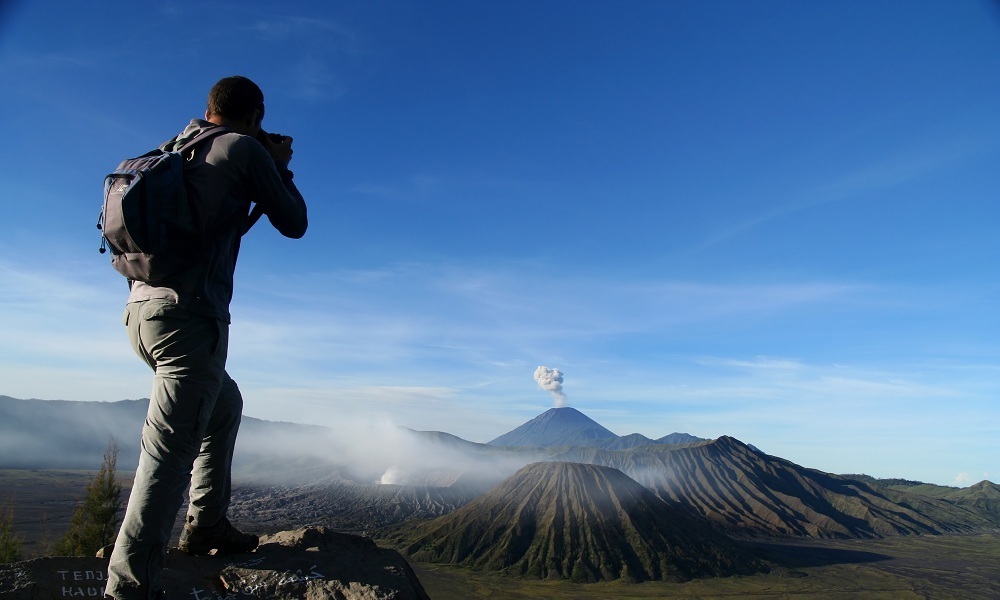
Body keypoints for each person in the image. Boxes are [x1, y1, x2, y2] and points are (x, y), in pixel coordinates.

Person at [105, 75, 308, 600]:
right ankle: (127, 590)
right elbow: (295, 221)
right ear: (255, 115)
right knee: (167, 459)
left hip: (140, 313)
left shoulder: (178, 147)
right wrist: (278, 164)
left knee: (224, 403)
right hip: (190, 320)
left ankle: (207, 525)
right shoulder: (243, 148)